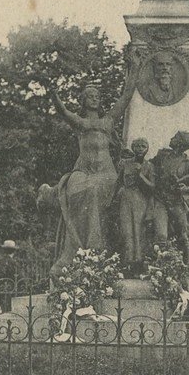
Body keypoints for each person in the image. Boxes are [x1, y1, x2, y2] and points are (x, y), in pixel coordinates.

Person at [41, 69, 140, 274]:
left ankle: (101, 251)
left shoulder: (108, 120)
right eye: (90, 97)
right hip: (84, 170)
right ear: (84, 101)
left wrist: (136, 69)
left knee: (107, 194)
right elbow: (63, 111)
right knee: (80, 191)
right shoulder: (80, 122)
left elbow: (126, 96)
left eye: (97, 96)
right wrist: (53, 94)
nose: (94, 99)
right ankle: (84, 249)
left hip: (106, 172)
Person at [149, 131, 189, 264]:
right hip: (160, 200)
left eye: (175, 137)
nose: (171, 138)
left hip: (177, 202)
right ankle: (159, 266)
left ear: (180, 144)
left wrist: (187, 189)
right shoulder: (162, 156)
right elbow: (149, 165)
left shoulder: (188, 164)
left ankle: (185, 265)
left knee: (183, 235)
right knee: (161, 235)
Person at [115, 138, 155, 273]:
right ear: (132, 147)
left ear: (147, 149)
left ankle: (139, 264)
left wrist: (140, 176)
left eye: (143, 146)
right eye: (137, 146)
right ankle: (127, 263)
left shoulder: (149, 165)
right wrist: (111, 200)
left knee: (139, 232)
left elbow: (152, 187)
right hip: (126, 198)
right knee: (126, 231)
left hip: (141, 200)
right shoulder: (125, 163)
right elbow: (118, 182)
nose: (139, 148)